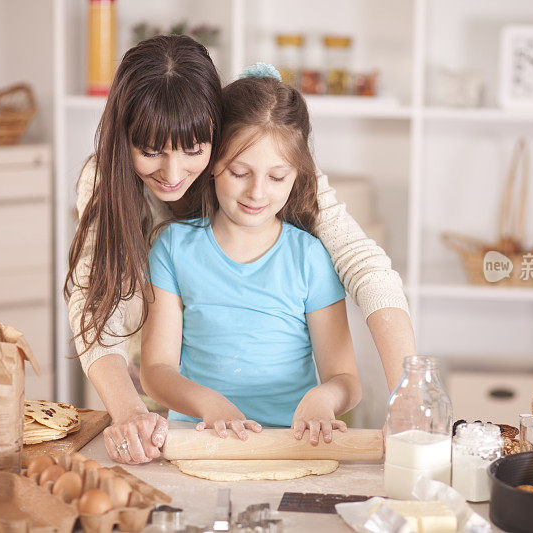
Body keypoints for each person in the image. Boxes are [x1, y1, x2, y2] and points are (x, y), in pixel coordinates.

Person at [65, 35, 415, 465]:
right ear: (124, 141)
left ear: (215, 132)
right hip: (175, 403)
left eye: (193, 150)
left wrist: (409, 396)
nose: (173, 174)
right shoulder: (120, 197)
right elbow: (93, 300)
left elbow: (367, 268)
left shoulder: (271, 158)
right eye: (152, 151)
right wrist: (129, 410)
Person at [141, 68, 362, 444]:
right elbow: (156, 370)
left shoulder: (309, 256)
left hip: (290, 442)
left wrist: (324, 397)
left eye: (277, 177)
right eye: (240, 172)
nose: (257, 193)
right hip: (199, 438)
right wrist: (209, 404)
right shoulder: (174, 248)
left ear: (298, 174)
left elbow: (347, 380)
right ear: (211, 164)